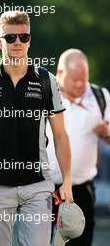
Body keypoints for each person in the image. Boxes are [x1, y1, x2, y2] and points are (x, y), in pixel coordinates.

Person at [0, 11, 73, 246]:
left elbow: (60, 135)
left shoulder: (46, 80)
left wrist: (67, 180)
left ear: (30, 39)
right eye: (10, 38)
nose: (18, 42)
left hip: (38, 185)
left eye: (24, 37)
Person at [46, 48, 110, 246]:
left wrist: (106, 133)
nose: (81, 84)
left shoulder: (101, 97)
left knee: (80, 243)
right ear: (60, 73)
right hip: (43, 188)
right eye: (75, 80)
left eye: (84, 78)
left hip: (81, 190)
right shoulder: (44, 95)